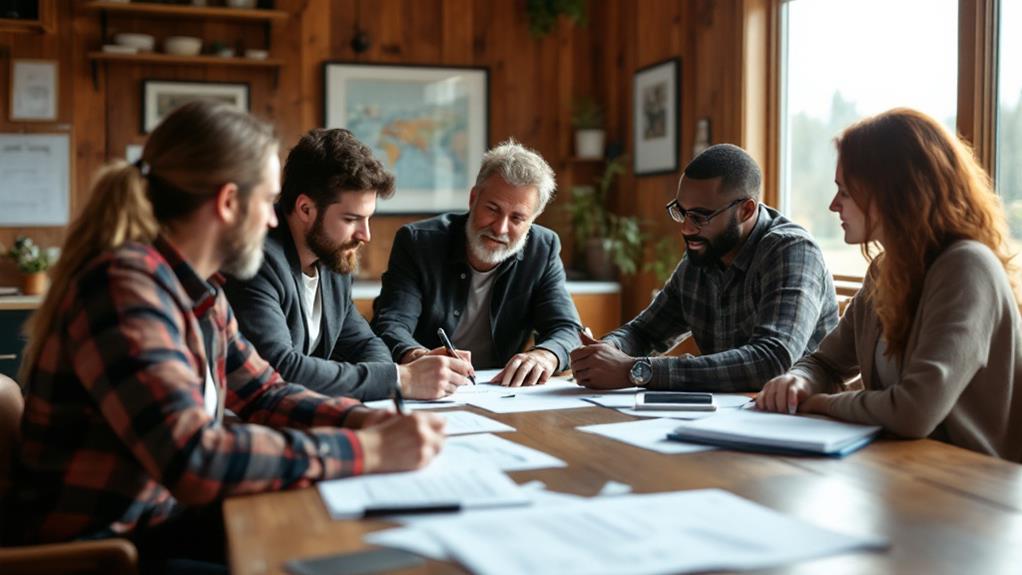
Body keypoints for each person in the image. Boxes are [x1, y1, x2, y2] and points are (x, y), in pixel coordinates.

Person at [5, 101, 445, 572]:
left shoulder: (197, 289)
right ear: (228, 202)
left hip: (160, 521)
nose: (274, 221)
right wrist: (370, 451)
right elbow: (196, 460)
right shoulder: (124, 290)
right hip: (106, 551)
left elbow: (264, 392)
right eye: (267, 201)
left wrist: (361, 422)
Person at [756, 108, 1022, 461]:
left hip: (971, 486)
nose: (833, 205)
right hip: (901, 470)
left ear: (893, 194)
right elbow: (826, 364)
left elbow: (914, 411)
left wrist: (819, 403)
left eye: (845, 192)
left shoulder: (967, 267)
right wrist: (799, 382)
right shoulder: (884, 270)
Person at [224, 129, 473, 401]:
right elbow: (279, 369)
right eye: (351, 219)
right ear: (305, 209)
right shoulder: (256, 261)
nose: (365, 235)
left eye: (368, 219)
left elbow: (365, 344)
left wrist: (398, 373)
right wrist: (404, 378)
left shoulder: (332, 260)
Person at [570, 143, 838, 391]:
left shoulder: (792, 251)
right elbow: (645, 332)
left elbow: (772, 359)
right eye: (682, 212)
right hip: (726, 415)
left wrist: (637, 370)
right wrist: (607, 350)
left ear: (746, 210)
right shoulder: (704, 254)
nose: (686, 228)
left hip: (800, 417)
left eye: (701, 216)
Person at [371, 139, 581, 387]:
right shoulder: (418, 243)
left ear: (532, 220)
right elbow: (391, 324)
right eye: (492, 209)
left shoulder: (543, 249)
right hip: (427, 386)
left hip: (502, 391)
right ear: (473, 198)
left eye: (517, 218)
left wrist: (546, 356)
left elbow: (567, 328)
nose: (500, 228)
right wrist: (419, 357)